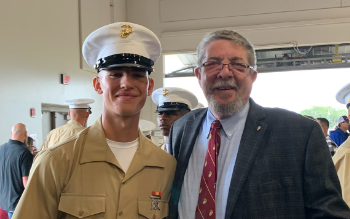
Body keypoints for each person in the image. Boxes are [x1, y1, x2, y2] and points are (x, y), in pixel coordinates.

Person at [168, 30, 350, 218]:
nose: (224, 72)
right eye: (213, 63)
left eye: (238, 64)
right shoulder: (182, 129)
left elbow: (329, 212)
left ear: (252, 76)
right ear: (198, 74)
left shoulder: (300, 134)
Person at [12, 22, 176, 219]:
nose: (126, 83)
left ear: (149, 86)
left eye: (137, 75)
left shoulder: (165, 166)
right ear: (98, 85)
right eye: (115, 74)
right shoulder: (57, 161)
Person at [0, 124, 33, 218]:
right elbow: (26, 182)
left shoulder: (1, 149)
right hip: (18, 204)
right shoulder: (24, 153)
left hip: (3, 202)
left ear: (11, 133)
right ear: (25, 134)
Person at [152, 87, 198, 151]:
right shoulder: (156, 152)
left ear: (187, 117)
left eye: (170, 113)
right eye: (160, 113)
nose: (162, 118)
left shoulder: (198, 149)